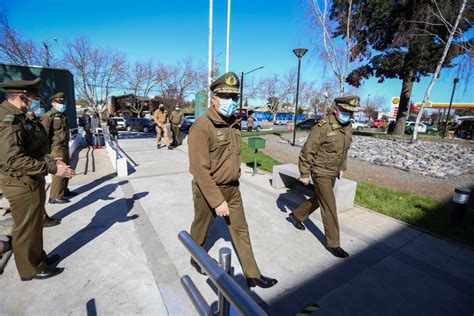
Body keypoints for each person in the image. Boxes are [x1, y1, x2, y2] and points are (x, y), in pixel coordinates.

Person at [188, 72, 277, 288]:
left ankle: (252, 274)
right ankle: (196, 256)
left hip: (233, 188)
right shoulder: (201, 127)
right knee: (201, 227)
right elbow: (199, 170)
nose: (230, 102)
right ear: (214, 98)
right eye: (225, 96)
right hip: (209, 190)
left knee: (240, 229)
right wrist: (217, 201)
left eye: (233, 97)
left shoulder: (234, 123)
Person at [0, 78, 75, 280]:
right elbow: (13, 159)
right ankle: (30, 269)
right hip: (19, 182)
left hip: (30, 178)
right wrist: (51, 166)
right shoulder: (8, 120)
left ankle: (38, 257)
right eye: (34, 98)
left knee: (35, 225)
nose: (36, 102)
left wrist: (55, 163)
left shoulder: (22, 117)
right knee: (26, 228)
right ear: (22, 97)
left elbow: (36, 149)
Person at [287, 96, 361, 258]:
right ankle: (333, 243)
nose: (348, 114)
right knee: (329, 206)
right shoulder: (323, 126)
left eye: (351, 112)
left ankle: (296, 216)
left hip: (333, 171)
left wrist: (342, 167)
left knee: (320, 198)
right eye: (345, 111)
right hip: (320, 171)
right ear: (336, 109)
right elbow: (308, 150)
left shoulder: (347, 126)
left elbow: (344, 150)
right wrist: (304, 173)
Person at [41, 92, 77, 205]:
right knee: (59, 172)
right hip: (55, 148)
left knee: (66, 169)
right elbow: (44, 135)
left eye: (63, 101)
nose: (62, 103)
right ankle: (55, 196)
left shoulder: (63, 115)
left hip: (64, 146)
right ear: (53, 102)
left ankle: (64, 190)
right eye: (59, 101)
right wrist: (47, 153)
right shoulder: (48, 116)